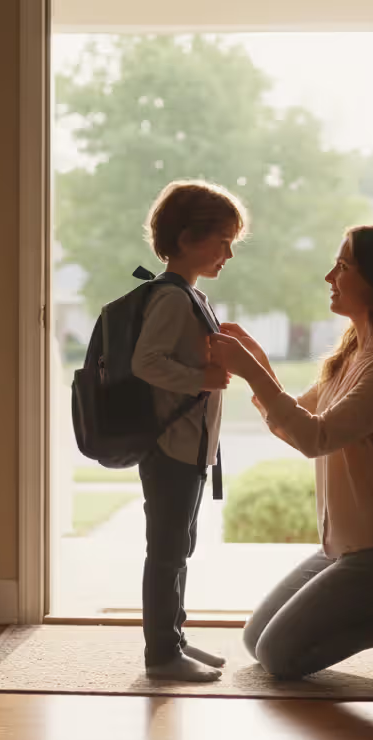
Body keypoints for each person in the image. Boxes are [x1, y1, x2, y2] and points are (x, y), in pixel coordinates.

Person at [208, 224, 373, 681]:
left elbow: (314, 439)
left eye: (343, 265)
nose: (329, 277)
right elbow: (296, 417)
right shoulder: (355, 353)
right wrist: (256, 364)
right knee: (255, 639)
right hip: (346, 549)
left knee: (280, 656)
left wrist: (251, 372)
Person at [132, 180, 248, 682]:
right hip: (170, 447)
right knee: (167, 551)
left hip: (189, 448)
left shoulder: (190, 297)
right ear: (185, 239)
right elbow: (146, 362)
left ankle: (173, 639)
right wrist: (198, 377)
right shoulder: (174, 299)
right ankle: (160, 655)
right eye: (221, 240)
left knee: (180, 545)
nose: (228, 253)